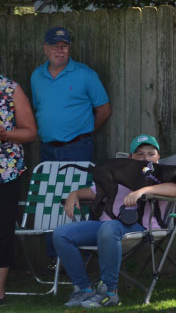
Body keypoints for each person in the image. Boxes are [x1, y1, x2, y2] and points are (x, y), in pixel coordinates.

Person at [53, 134, 176, 308]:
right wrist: (73, 194)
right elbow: (92, 193)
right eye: (139, 154)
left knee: (109, 228)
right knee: (61, 234)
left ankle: (109, 292)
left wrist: (141, 191)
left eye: (151, 154)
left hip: (138, 227)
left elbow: (174, 189)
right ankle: (84, 289)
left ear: (158, 158)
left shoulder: (161, 175)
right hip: (105, 226)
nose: (145, 158)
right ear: (130, 158)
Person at [31, 26, 112, 162]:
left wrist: (86, 133)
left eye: (64, 46)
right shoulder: (37, 75)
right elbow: (39, 108)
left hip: (77, 148)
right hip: (47, 149)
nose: (60, 51)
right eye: (55, 46)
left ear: (69, 49)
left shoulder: (87, 75)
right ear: (45, 49)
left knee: (80, 184)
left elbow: (104, 110)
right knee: (49, 184)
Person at [0, 75, 37, 306]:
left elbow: (30, 132)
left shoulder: (10, 88)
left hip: (5, 173)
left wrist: (4, 135)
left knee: (2, 231)